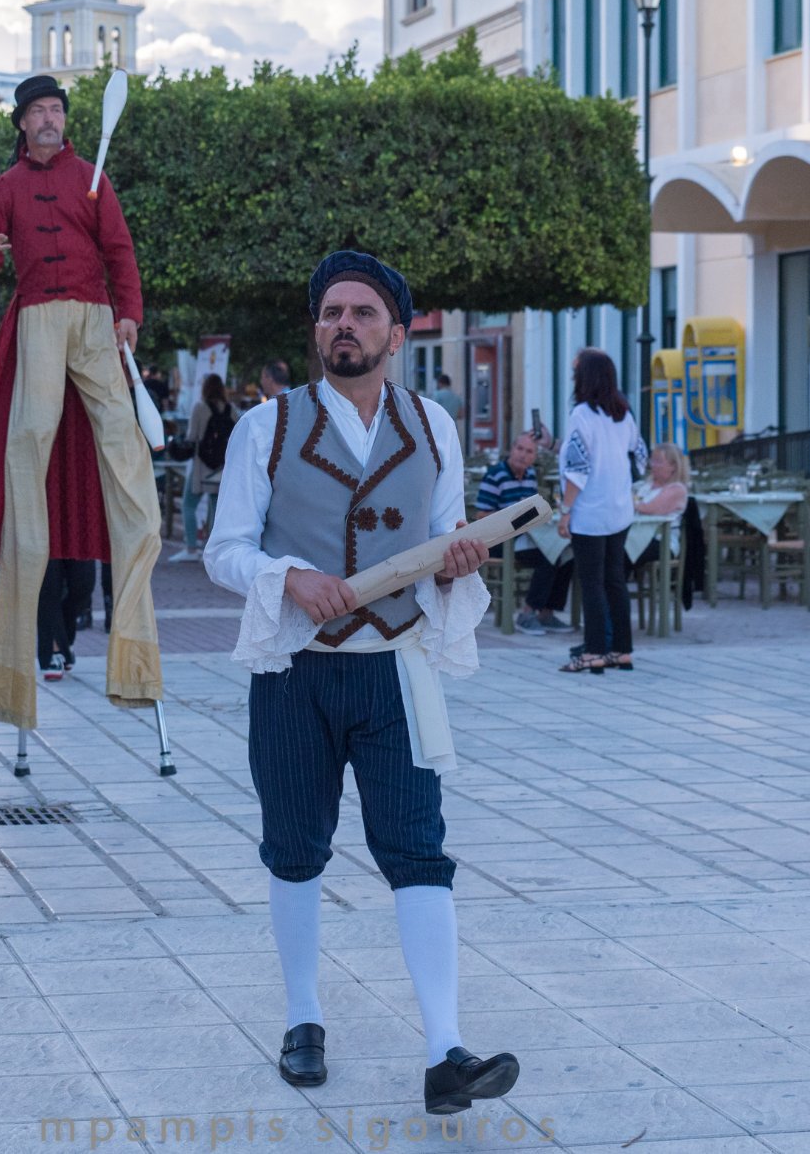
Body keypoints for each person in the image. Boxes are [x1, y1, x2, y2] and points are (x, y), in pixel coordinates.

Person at [203, 251, 519, 1116]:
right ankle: (304, 1018)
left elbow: (446, 537)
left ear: (399, 330)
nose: (344, 324)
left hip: (396, 670)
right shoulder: (264, 429)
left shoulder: (436, 427)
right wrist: (289, 577)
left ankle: (446, 1047)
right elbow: (223, 550)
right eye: (331, 311)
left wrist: (457, 565)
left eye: (364, 312)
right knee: (296, 846)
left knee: (419, 848)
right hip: (297, 672)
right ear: (316, 329)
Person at [0, 72, 163, 732]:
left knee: (127, 455)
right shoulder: (4, 188)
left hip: (97, 320)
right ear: (21, 122)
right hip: (38, 321)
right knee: (27, 454)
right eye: (38, 111)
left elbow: (120, 251)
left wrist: (128, 314)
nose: (49, 118)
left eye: (56, 109)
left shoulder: (93, 179)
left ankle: (134, 651)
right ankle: (20, 666)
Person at [556, 347, 644, 676]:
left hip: (590, 512)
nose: (572, 376)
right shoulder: (623, 413)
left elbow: (578, 469)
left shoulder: (581, 414)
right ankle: (622, 650)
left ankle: (593, 651)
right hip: (619, 509)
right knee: (615, 581)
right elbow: (640, 455)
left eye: (576, 371)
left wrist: (565, 511)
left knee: (591, 583)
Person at [475, 431, 572, 635]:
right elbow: (481, 516)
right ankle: (527, 614)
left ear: (534, 457)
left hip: (525, 538)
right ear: (511, 449)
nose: (523, 455)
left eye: (529, 451)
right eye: (520, 449)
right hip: (499, 541)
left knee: (566, 553)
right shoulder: (496, 475)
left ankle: (547, 612)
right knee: (549, 555)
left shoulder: (529, 476)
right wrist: (510, 516)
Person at [170, 374, 232, 563]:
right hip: (221, 467)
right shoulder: (230, 409)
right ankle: (212, 551)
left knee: (189, 504)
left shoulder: (200, 407)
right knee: (215, 508)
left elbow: (192, 436)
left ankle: (191, 548)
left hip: (201, 466)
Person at [37, 557, 97, 680]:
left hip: (79, 537)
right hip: (46, 538)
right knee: (48, 581)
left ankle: (63, 638)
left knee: (84, 583)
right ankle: (53, 648)